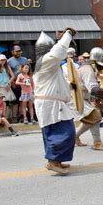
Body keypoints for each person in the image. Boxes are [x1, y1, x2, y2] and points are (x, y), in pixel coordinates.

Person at [33, 30, 77, 176]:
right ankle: (53, 161)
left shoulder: (49, 66)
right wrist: (68, 34)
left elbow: (58, 84)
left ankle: (56, 160)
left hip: (53, 103)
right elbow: (58, 51)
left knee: (55, 132)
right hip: (50, 105)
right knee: (64, 132)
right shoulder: (46, 61)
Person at [74, 47, 103, 150]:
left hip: (81, 98)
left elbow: (91, 89)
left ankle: (76, 137)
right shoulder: (88, 69)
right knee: (95, 117)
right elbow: (93, 89)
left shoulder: (88, 68)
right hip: (77, 99)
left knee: (93, 119)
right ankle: (96, 143)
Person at [7, 45, 29, 123]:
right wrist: (12, 83)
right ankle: (14, 118)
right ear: (13, 52)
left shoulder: (25, 59)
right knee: (15, 101)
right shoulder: (9, 61)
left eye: (19, 51)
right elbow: (8, 73)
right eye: (16, 51)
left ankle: (22, 117)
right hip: (15, 83)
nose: (18, 52)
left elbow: (29, 71)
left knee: (23, 101)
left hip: (25, 83)